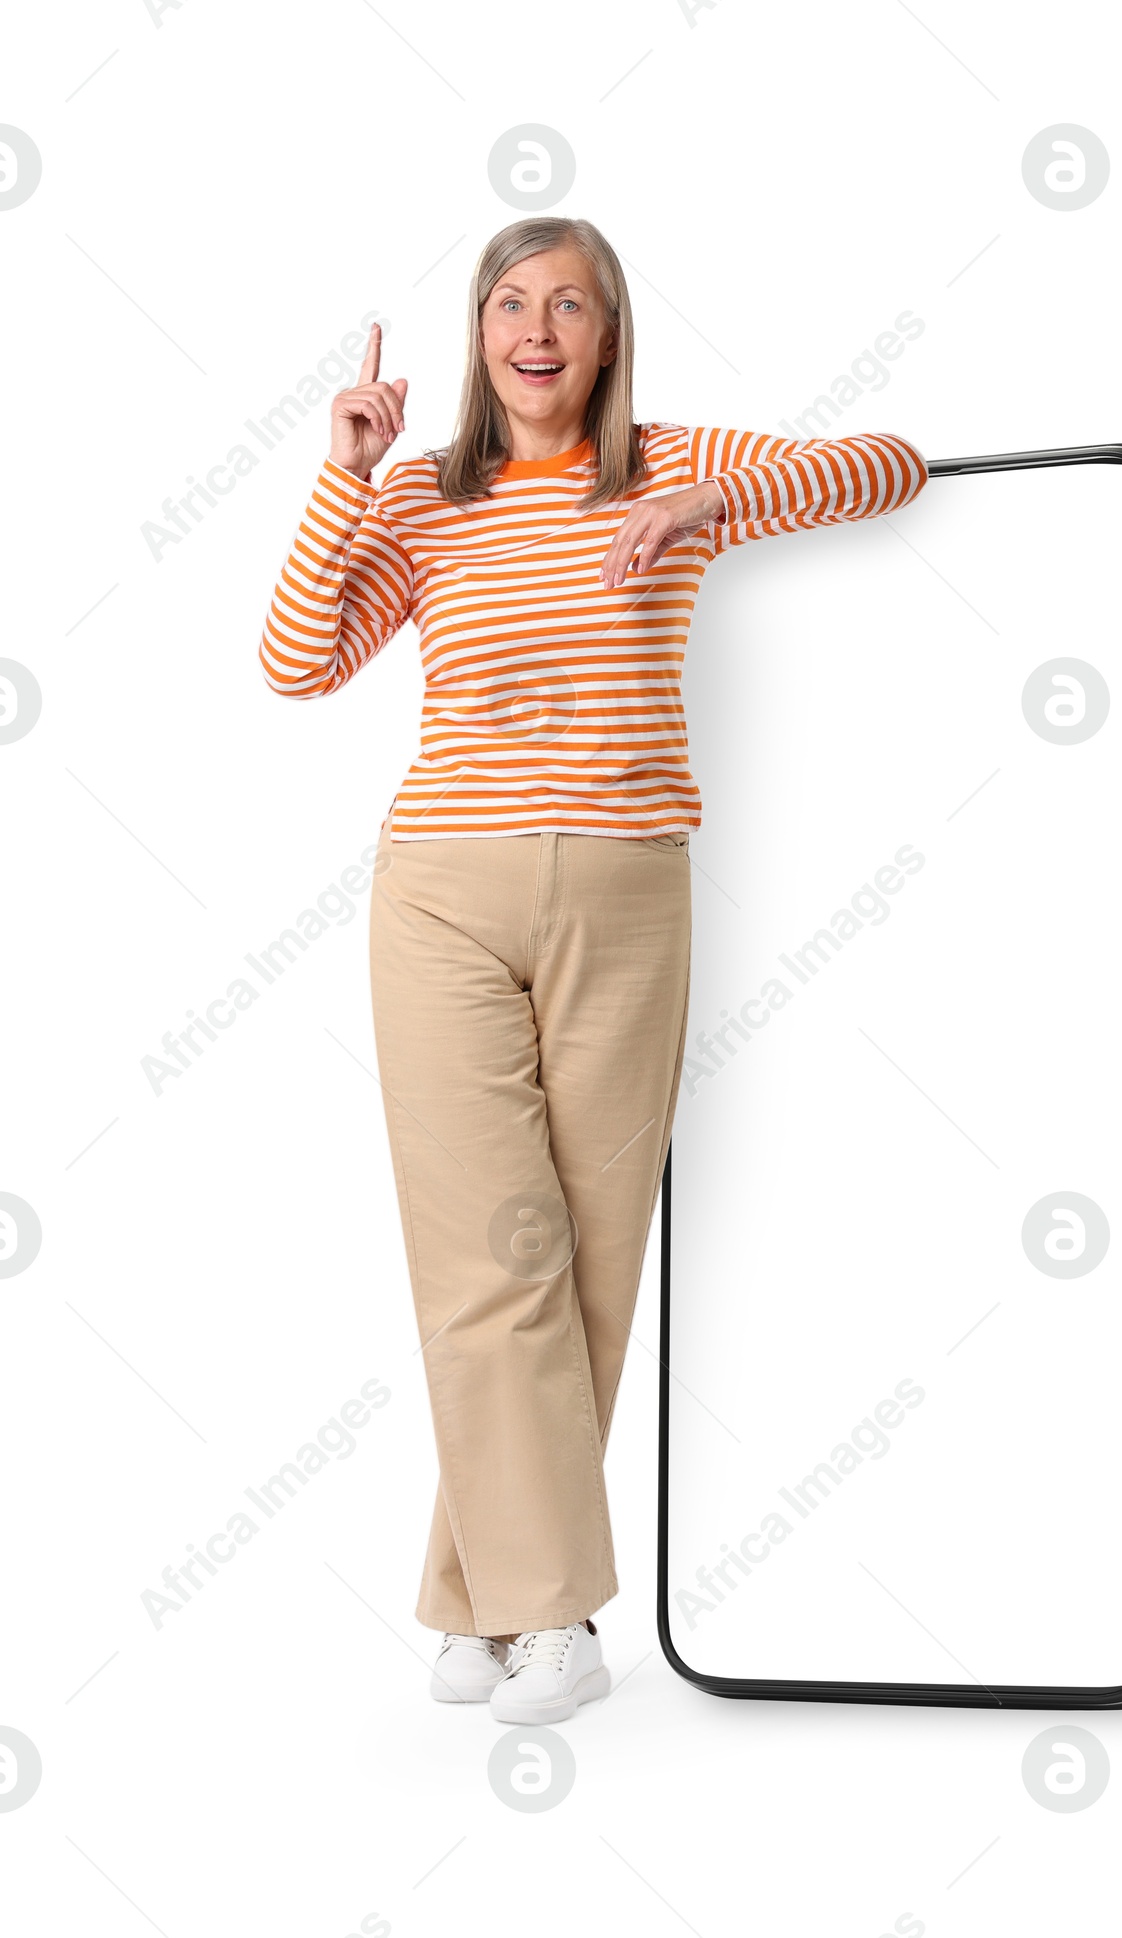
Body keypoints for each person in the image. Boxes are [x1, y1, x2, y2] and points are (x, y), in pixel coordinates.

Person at [258, 215, 928, 1724]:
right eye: (511, 302)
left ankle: (474, 1598)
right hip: (442, 891)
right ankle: (559, 1621)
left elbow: (888, 458)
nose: (539, 327)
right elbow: (297, 660)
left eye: (572, 302)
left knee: (591, 1254)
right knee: (485, 1253)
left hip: (628, 889)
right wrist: (342, 473)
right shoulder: (425, 493)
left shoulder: (675, 458)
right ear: (480, 333)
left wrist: (709, 497)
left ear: (610, 334)